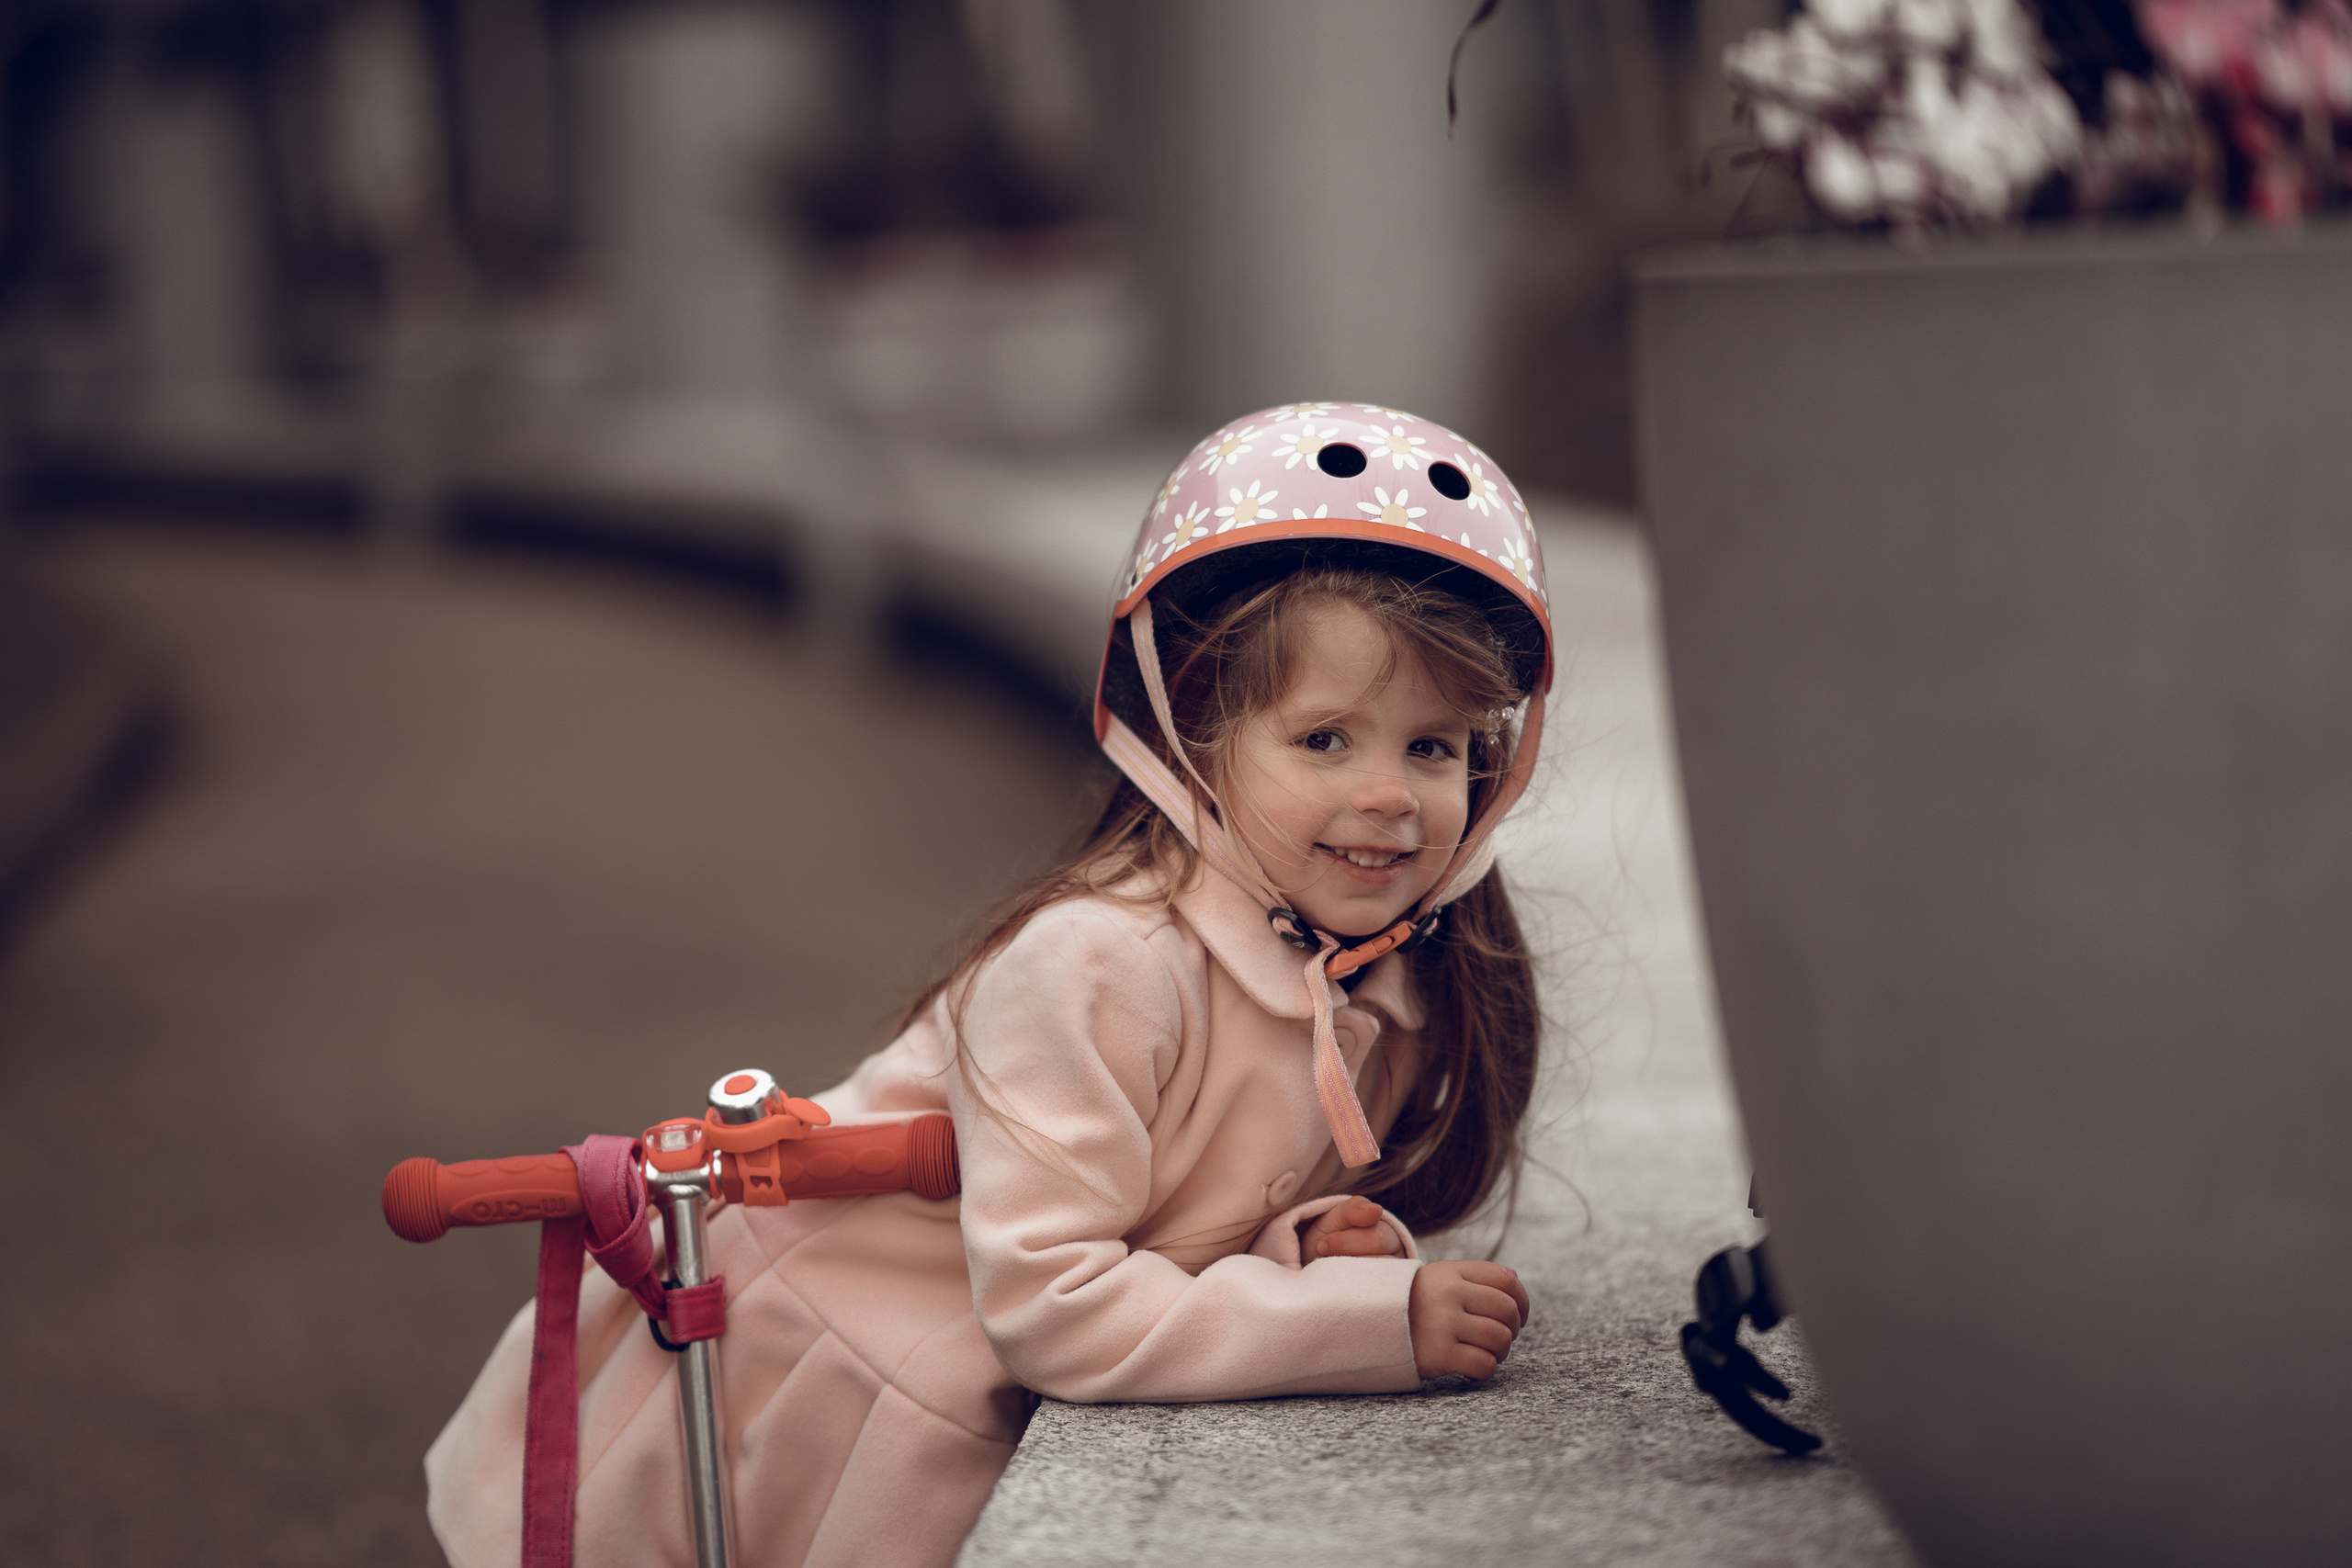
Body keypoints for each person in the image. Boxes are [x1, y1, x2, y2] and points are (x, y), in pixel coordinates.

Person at [424, 402, 1556, 1568]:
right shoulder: (1096, 964)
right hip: (810, 1404)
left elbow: (1160, 1222)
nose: (1390, 795)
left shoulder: (1384, 984)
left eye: (1431, 746)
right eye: (1324, 740)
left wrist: (1293, 1247)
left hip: (942, 1400)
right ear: (1190, 738)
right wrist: (1363, 1325)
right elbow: (1055, 1307)